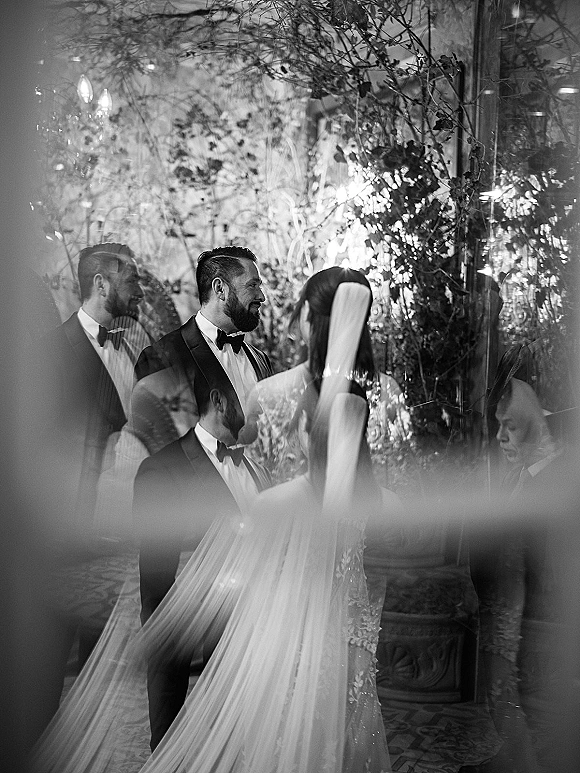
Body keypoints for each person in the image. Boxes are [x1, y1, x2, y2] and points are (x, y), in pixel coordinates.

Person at [31, 279, 393, 773]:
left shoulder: (272, 389)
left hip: (281, 578)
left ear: (310, 318)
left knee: (274, 715)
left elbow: (270, 482)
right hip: (320, 589)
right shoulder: (355, 399)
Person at [23, 242, 144, 744]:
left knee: (105, 679)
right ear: (101, 283)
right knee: (44, 679)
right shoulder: (48, 355)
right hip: (64, 541)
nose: (138, 289)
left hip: (119, 538)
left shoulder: (133, 351)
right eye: (131, 278)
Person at [135, 373, 270, 750]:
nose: (261, 411)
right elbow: (157, 593)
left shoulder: (257, 471)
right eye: (253, 402)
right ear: (220, 401)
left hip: (254, 643)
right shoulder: (162, 471)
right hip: (195, 637)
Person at [470, 374, 577, 773]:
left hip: (538, 639)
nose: (499, 437)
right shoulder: (517, 476)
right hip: (503, 630)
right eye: (497, 425)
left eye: (510, 425)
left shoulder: (562, 486)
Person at [131, 245, 272, 457]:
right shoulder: (163, 358)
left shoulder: (260, 360)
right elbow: (156, 449)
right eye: (252, 285)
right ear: (220, 289)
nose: (261, 296)